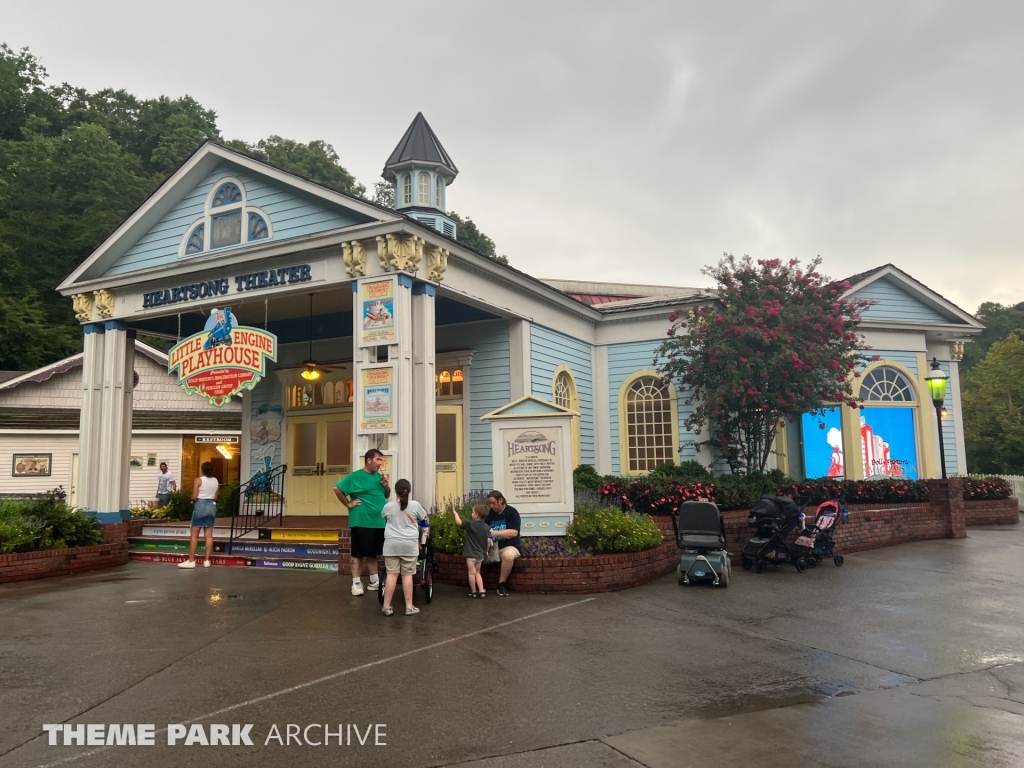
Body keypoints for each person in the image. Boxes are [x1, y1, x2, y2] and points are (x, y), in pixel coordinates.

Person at [334, 449, 390, 596]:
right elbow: (337, 488)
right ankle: (356, 583)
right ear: (369, 460)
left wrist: (385, 484)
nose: (380, 463)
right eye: (378, 460)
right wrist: (348, 504)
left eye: (381, 460)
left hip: (378, 522)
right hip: (361, 520)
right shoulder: (355, 476)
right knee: (358, 553)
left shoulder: (379, 476)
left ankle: (374, 581)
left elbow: (387, 494)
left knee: (372, 553)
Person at [380, 478, 428, 616]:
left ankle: (387, 606)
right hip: (409, 545)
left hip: (391, 545)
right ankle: (409, 606)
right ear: (409, 491)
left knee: (391, 575)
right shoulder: (415, 505)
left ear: (396, 491)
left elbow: (384, 518)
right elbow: (424, 518)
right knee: (407, 575)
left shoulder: (388, 506)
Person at [178, 462, 219, 569]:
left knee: (194, 535)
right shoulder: (215, 480)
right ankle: (206, 561)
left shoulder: (198, 480)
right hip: (211, 506)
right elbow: (215, 496)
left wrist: (192, 500)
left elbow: (194, 496)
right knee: (209, 535)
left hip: (200, 505)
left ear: (202, 470)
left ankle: (191, 561)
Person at [484, 490, 522, 596]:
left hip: (509, 546)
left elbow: (513, 532)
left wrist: (495, 532)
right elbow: (484, 528)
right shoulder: (490, 514)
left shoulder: (512, 512)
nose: (492, 506)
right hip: (492, 546)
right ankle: (476, 586)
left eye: (494, 503)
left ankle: (501, 584)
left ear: (501, 500)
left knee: (508, 556)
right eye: (490, 503)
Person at [453, 503, 492, 598]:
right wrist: (486, 551)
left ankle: (474, 592)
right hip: (480, 555)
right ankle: (482, 591)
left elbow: (459, 522)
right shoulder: (486, 526)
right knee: (478, 572)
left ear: (477, 514)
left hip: (470, 555)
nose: (472, 513)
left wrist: (455, 513)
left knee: (471, 573)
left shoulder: (470, 524)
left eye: (472, 512)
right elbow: (488, 540)